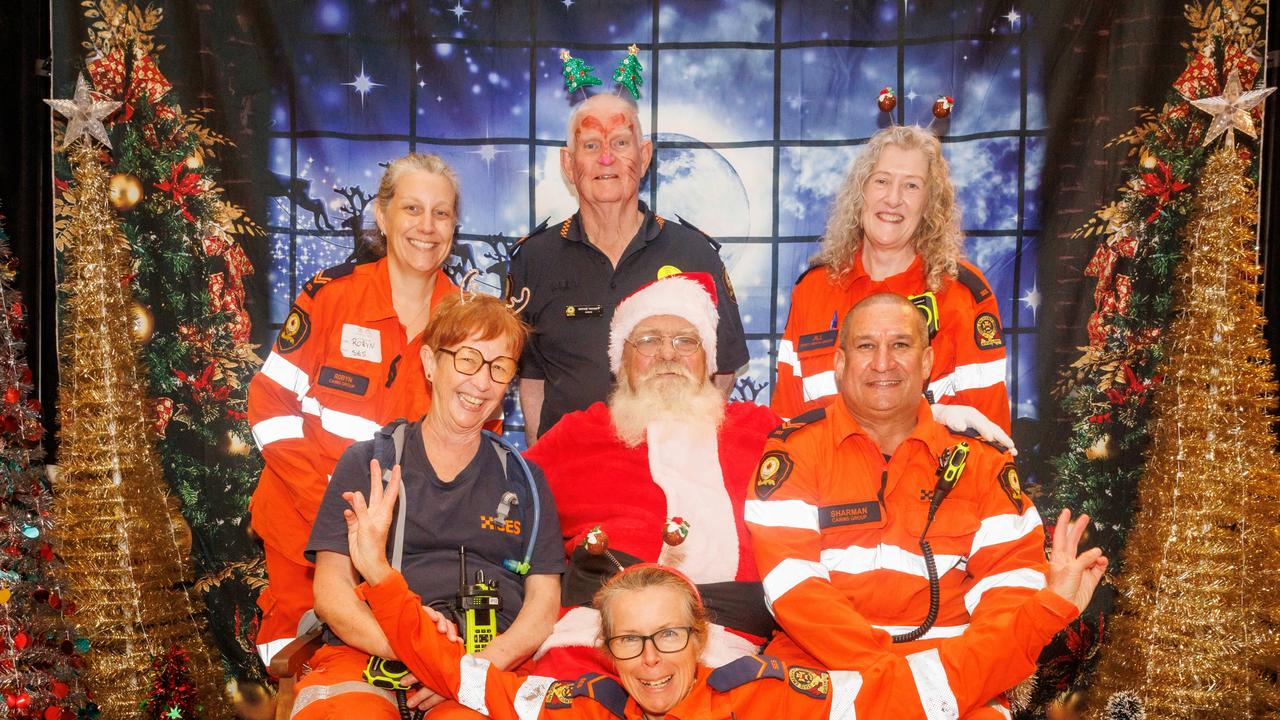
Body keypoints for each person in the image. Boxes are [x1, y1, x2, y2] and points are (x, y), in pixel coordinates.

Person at [337, 447, 1107, 720]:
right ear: (605, 650)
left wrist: (1045, 612)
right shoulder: (579, 707)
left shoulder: (771, 696)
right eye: (631, 641)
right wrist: (377, 574)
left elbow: (928, 690)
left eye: (667, 635)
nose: (651, 660)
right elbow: (465, 679)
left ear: (699, 639)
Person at [748, 293, 1084, 719]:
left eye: (901, 345)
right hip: (821, 670)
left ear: (926, 362)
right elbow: (793, 589)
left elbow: (1010, 588)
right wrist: (894, 683)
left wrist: (941, 681)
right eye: (867, 346)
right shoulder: (795, 452)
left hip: (955, 673)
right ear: (839, 363)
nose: (883, 362)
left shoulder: (983, 459)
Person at [292, 292, 564, 718]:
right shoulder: (368, 463)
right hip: (370, 653)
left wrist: (469, 671)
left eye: (499, 367)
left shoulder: (526, 481)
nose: (481, 382)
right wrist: (416, 653)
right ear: (430, 363)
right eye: (468, 359)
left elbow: (543, 605)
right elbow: (331, 591)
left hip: (483, 663)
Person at [248, 152, 462, 670]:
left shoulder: (466, 324)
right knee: (300, 670)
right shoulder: (331, 298)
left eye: (442, 213)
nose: (426, 227)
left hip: (408, 547)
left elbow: (470, 444)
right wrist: (329, 503)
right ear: (383, 217)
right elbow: (270, 405)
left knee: (410, 670)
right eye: (412, 208)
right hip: (302, 528)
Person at [524, 273, 779, 679]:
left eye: (685, 341)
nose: (667, 355)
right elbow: (499, 506)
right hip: (594, 640)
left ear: (708, 361)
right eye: (647, 341)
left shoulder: (764, 433)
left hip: (725, 644)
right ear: (620, 363)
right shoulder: (577, 435)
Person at [507, 93, 748, 441]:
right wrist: (544, 465)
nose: (606, 159)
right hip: (570, 476)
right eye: (590, 146)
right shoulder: (534, 259)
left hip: (665, 477)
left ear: (645, 155)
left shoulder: (694, 253)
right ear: (567, 163)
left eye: (620, 142)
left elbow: (722, 370)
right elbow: (531, 379)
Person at [772, 125, 1012, 447]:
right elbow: (787, 424)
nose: (894, 199)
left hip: (931, 488)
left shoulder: (962, 294)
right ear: (861, 193)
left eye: (911, 186)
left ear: (930, 204)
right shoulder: (814, 289)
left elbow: (988, 438)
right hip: (828, 486)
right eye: (882, 181)